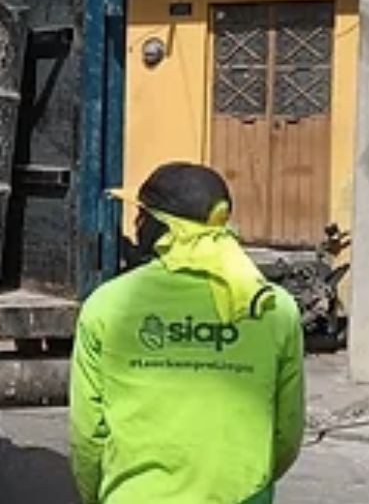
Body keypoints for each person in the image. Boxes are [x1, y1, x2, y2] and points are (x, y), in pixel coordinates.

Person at [70, 162, 305, 504]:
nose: (135, 225)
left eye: (141, 216)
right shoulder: (273, 308)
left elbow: (88, 435)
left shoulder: (107, 305)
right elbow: (286, 432)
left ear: (156, 225)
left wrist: (98, 495)